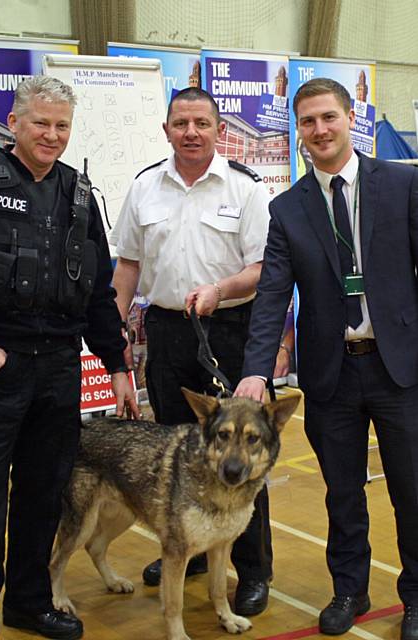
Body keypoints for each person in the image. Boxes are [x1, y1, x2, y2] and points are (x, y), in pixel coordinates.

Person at [0, 76, 138, 640]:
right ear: (15, 122)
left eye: (62, 125)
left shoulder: (77, 195)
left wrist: (117, 364)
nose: (51, 134)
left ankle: (28, 602)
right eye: (40, 123)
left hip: (59, 370)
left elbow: (96, 291)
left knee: (44, 499)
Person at [235, 77, 418, 640]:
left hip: (400, 369)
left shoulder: (403, 184)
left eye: (328, 117)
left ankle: (415, 598)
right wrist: (255, 370)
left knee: (412, 489)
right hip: (331, 373)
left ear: (349, 119)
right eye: (308, 122)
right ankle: (349, 590)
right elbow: (271, 294)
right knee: (342, 491)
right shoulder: (288, 208)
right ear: (299, 133)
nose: (319, 130)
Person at [111, 86, 288, 617]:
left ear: (219, 131)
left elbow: (264, 269)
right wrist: (112, 333)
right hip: (166, 333)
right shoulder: (144, 188)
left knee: (245, 456)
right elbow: (128, 267)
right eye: (181, 123)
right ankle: (186, 550)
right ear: (166, 129)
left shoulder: (246, 189)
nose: (191, 132)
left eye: (201, 124)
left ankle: (252, 570)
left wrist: (220, 290)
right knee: (174, 455)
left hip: (231, 332)